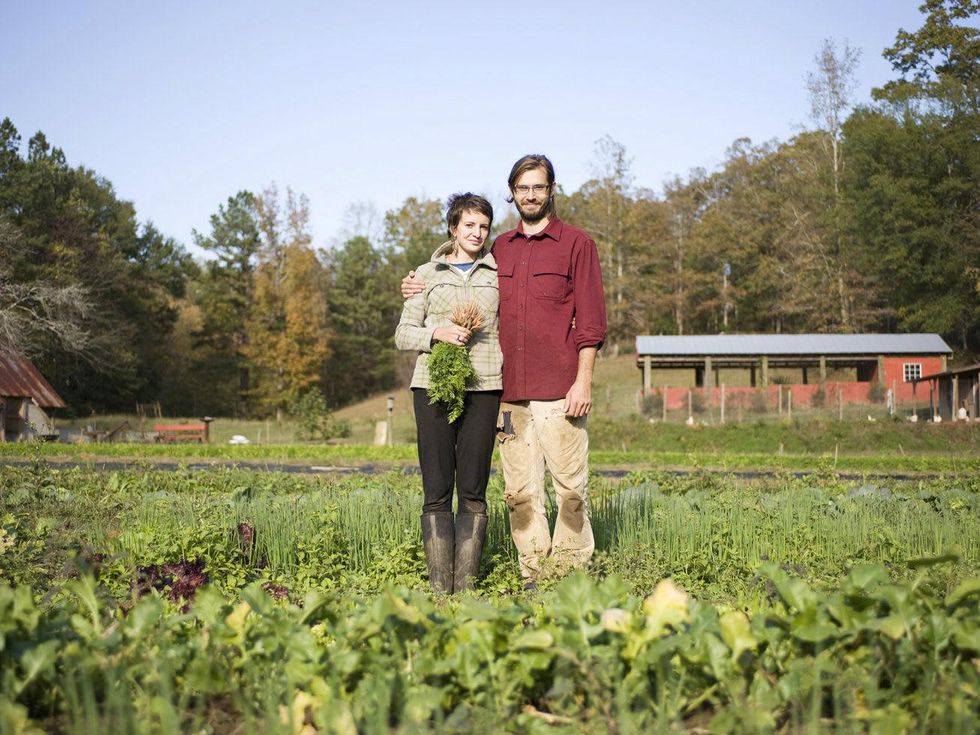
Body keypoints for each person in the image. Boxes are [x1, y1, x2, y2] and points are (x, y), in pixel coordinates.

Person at [404, 155, 606, 590]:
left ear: (552, 189)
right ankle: (534, 575)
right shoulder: (502, 249)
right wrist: (419, 279)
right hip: (509, 393)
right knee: (520, 493)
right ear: (512, 193)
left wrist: (583, 380)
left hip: (559, 390)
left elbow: (590, 322)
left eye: (538, 186)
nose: (530, 195)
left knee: (570, 490)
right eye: (522, 188)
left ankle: (568, 579)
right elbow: (459, 267)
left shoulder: (577, 244)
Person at [394, 193, 502, 594]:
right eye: (470, 225)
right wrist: (436, 333)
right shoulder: (425, 274)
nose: (477, 233)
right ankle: (441, 591)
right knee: (437, 488)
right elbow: (403, 334)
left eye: (484, 226)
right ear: (454, 228)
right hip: (432, 386)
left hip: (485, 385)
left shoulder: (498, 273)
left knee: (473, 488)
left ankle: (467, 588)